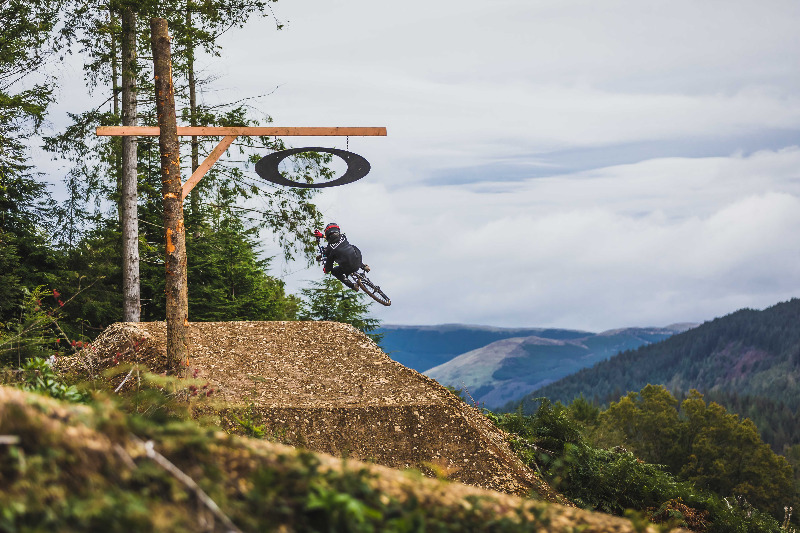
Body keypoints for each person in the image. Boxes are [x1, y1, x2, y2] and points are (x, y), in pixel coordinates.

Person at [314, 223, 369, 291]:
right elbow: (335, 239)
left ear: (328, 234)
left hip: (348, 268)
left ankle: (353, 286)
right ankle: (364, 266)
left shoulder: (330, 249)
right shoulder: (343, 237)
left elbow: (328, 268)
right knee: (352, 248)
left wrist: (326, 269)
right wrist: (322, 236)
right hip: (358, 261)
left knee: (334, 272)